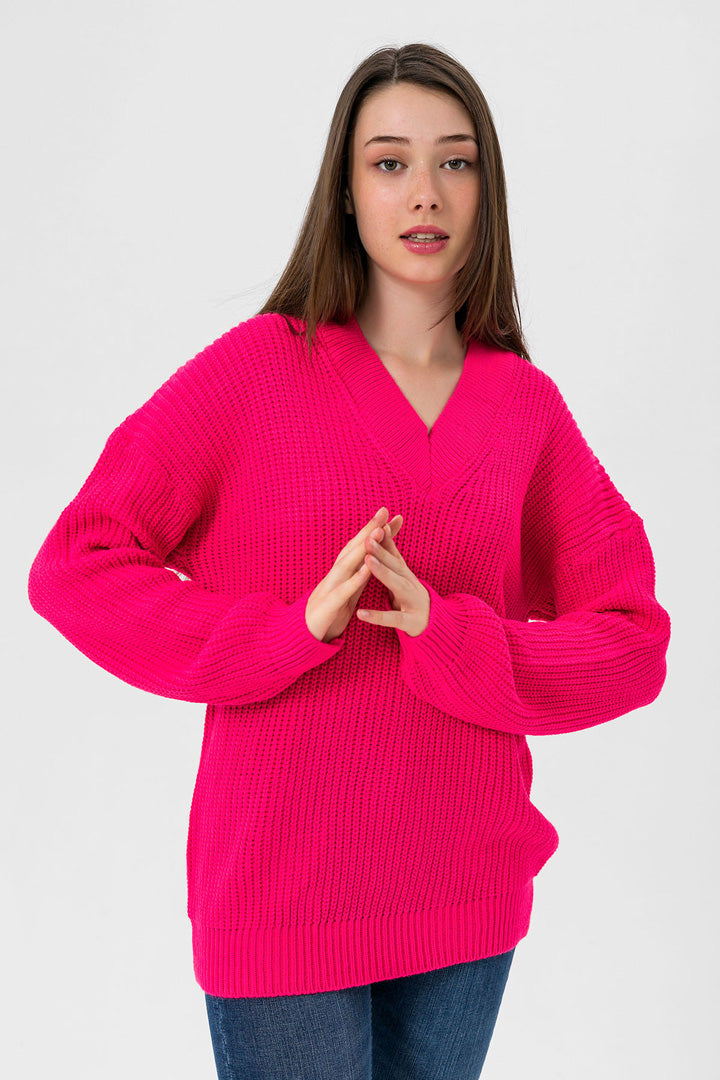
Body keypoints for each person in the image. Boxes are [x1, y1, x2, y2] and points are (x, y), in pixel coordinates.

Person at [27, 42, 671, 1080]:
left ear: (487, 189)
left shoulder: (524, 408)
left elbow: (632, 642)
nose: (425, 193)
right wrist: (285, 633)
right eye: (389, 162)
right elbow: (76, 563)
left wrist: (452, 637)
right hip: (281, 898)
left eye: (455, 162)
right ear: (345, 189)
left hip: (467, 895)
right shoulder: (256, 372)